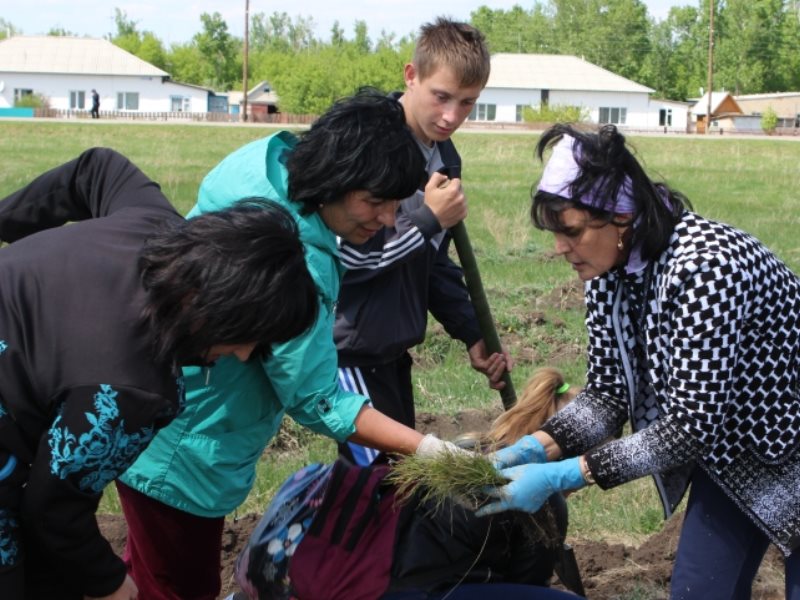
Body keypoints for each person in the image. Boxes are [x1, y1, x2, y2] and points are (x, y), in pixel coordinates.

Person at [115, 89, 464, 600]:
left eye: (397, 204)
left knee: (148, 572)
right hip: (189, 448)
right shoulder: (296, 266)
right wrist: (428, 448)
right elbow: (318, 399)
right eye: (376, 202)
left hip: (152, 410)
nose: (389, 219)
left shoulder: (263, 162)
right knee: (176, 587)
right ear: (337, 179)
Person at [476, 123, 800, 600]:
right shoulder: (609, 270)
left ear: (622, 217)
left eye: (571, 231)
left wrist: (565, 475)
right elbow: (607, 396)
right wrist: (534, 448)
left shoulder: (705, 267)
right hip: (740, 453)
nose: (559, 248)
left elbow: (689, 428)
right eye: (554, 233)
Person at [0, 147, 319, 599]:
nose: (246, 355)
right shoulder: (132, 387)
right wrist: (112, 583)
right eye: (248, 335)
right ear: (217, 308)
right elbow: (53, 509)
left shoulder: (156, 227)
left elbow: (98, 168)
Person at [235, 367, 580, 600]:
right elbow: (525, 583)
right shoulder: (544, 501)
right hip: (397, 588)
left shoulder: (463, 450)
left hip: (365, 564)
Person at [336, 17, 512, 466]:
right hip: (347, 351)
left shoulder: (443, 156)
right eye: (441, 97)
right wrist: (429, 219)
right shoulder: (368, 145)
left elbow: (428, 263)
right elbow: (348, 257)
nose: (452, 115)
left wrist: (471, 330)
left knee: (395, 483)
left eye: (468, 103)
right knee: (381, 480)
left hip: (391, 351)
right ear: (411, 75)